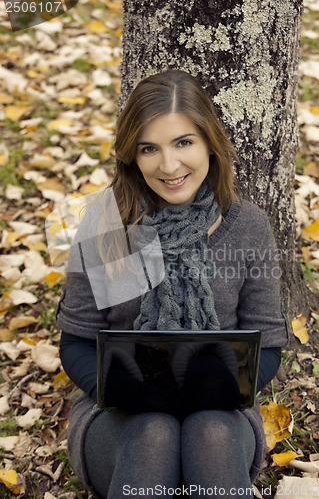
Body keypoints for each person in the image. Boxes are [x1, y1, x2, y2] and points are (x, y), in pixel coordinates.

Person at [56, 70, 289, 499]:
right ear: (132, 156)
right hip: (120, 416)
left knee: (212, 432)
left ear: (209, 143)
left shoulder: (249, 227)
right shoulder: (107, 224)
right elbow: (75, 341)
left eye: (183, 142)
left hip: (221, 411)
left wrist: (222, 389)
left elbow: (269, 343)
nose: (168, 165)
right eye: (150, 148)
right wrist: (115, 390)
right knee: (154, 432)